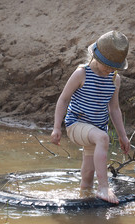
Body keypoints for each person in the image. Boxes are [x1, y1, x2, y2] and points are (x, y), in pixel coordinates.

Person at [50, 30, 130, 204]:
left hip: (96, 129)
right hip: (76, 124)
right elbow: (63, 99)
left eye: (113, 67)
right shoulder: (82, 74)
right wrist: (57, 127)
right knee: (103, 138)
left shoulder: (114, 80)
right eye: (106, 65)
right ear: (95, 57)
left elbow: (114, 109)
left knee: (87, 176)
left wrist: (123, 136)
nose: (109, 70)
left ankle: (84, 203)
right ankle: (104, 188)